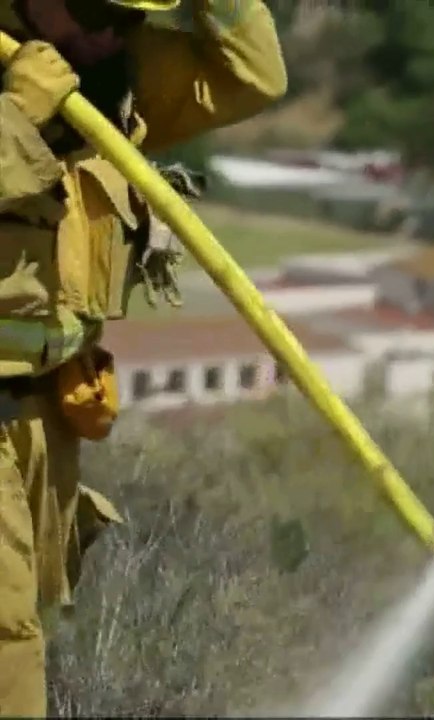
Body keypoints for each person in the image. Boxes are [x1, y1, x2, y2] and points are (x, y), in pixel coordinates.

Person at [0, 0, 286, 715]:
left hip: (47, 420)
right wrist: (12, 120)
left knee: (30, 615)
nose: (106, 32)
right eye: (95, 7)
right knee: (7, 642)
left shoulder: (111, 75)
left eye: (128, 17)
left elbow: (255, 77)